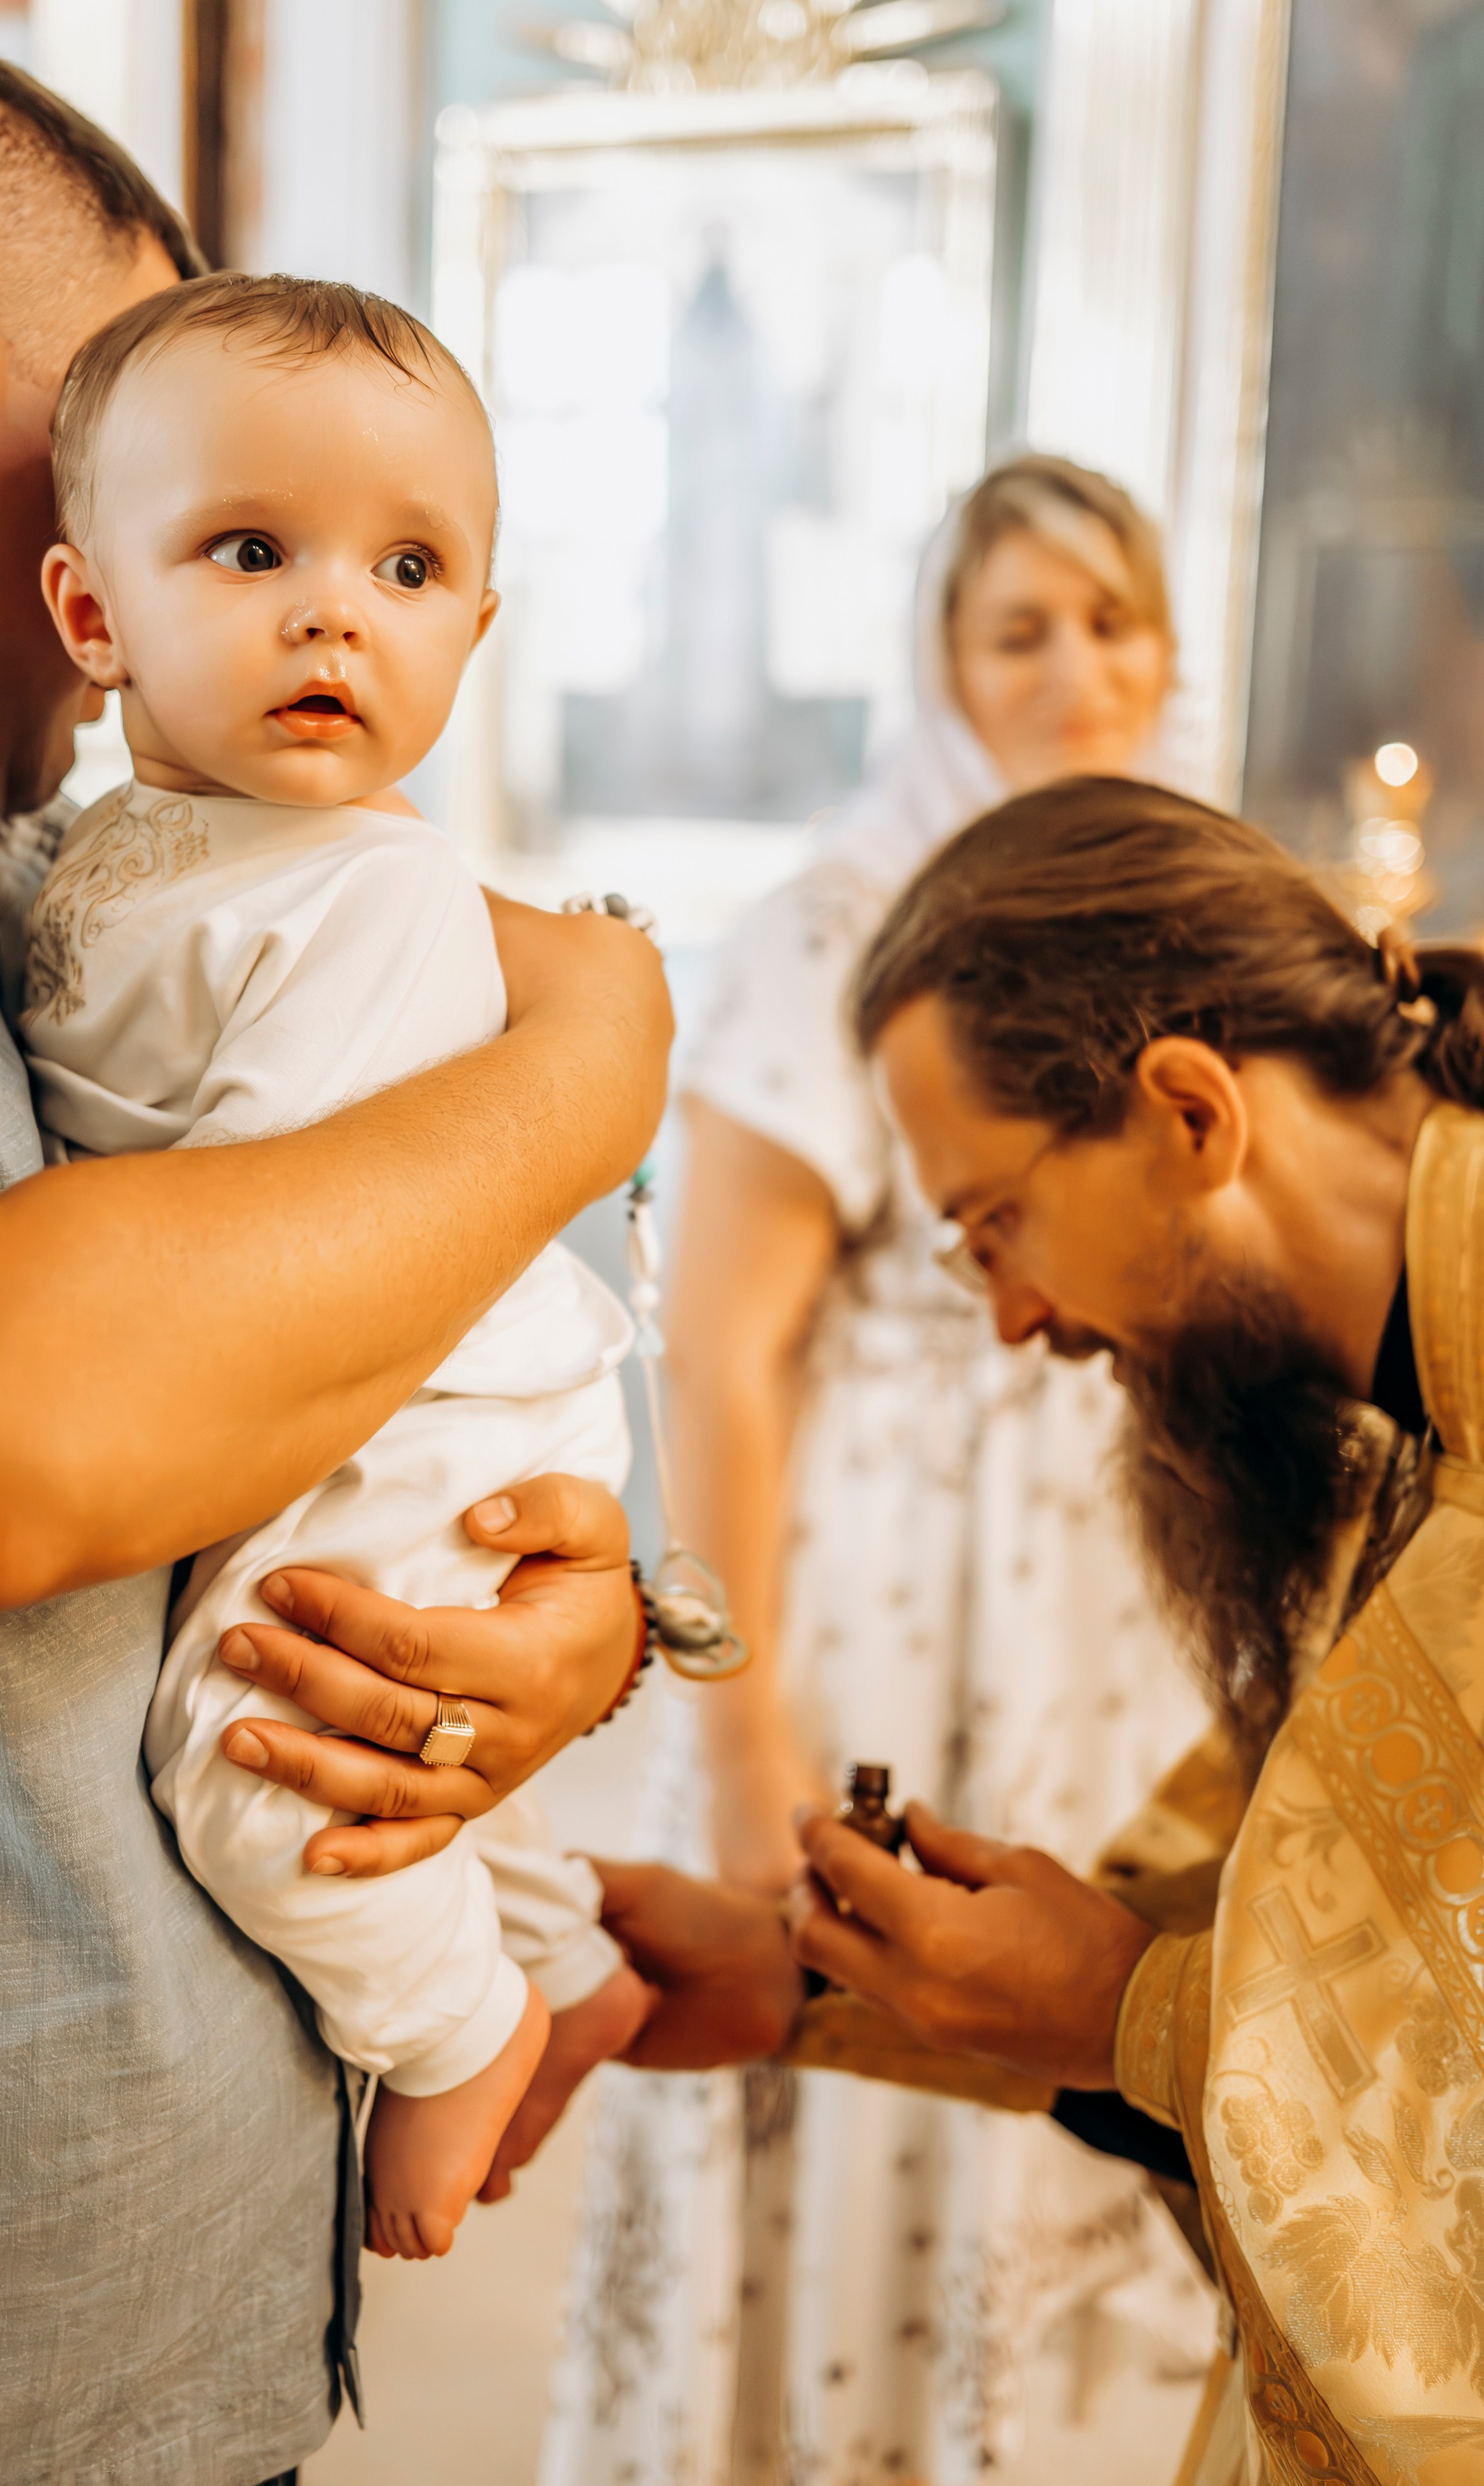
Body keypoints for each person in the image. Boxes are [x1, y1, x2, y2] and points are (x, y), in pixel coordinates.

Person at [0, 27, 670, 2484]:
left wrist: (574, 1625)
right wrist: (591, 1070)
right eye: (177, 505)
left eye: (390, 563)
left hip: (126, 2312)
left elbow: (364, 1252)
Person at [597, 775, 1484, 2483]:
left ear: (1184, 1113)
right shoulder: (1417, 1408)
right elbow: (1353, 1945)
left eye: (991, 1222)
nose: (1011, 1321)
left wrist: (1130, 2012)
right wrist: (812, 1983)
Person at [545, 462, 1214, 2484]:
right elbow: (725, 1359)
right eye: (1020, 629)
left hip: (1113, 1628)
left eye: (1112, 621)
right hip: (876, 1603)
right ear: (941, 665)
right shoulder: (837, 929)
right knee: (848, 2029)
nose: (1075, 670)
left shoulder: (1180, 911)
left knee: (1083, 2025)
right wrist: (749, 1734)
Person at [24, 268, 653, 2262]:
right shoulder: (91, 846)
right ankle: (558, 1945)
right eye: (250, 550)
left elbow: (262, 1270)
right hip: (360, 1387)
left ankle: (464, 2034)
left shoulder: (376, 888)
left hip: (405, 1403)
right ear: (91, 616)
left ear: (474, 629)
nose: (332, 613)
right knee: (415, 1751)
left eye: (407, 567)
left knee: (260, 1767)